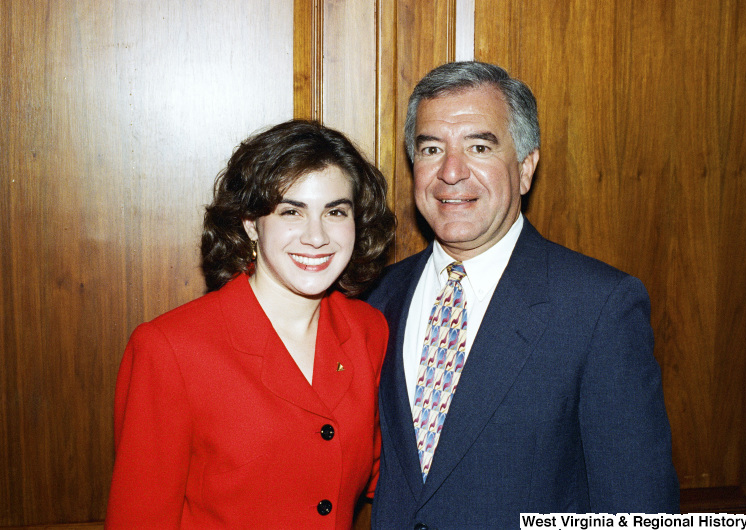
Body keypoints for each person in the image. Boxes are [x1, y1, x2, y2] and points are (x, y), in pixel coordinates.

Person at [365, 61, 679, 528]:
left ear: (526, 168)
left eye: (478, 146)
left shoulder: (597, 307)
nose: (451, 172)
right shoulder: (376, 298)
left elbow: (638, 510)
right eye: (432, 148)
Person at [105, 120, 395, 529]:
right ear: (249, 224)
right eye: (291, 211)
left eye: (335, 212)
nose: (317, 237)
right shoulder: (171, 347)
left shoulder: (368, 330)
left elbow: (389, 472)